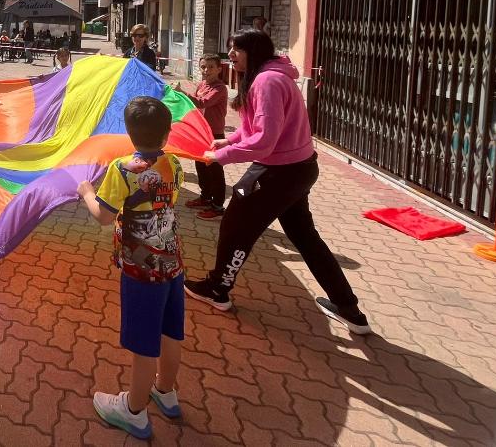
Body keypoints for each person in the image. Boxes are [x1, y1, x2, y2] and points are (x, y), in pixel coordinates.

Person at [185, 30, 371, 335]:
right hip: (296, 170)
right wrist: (225, 141)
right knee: (304, 237)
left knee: (235, 222)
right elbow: (256, 128)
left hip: (275, 172)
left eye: (236, 49)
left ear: (253, 51)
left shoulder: (267, 81)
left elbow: (264, 141)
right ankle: (349, 309)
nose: (230, 55)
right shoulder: (270, 75)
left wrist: (220, 157)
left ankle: (217, 289)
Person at [76, 97, 185, 438]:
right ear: (167, 135)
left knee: (143, 344)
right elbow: (166, 202)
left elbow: (103, 217)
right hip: (172, 264)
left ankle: (134, 410)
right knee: (170, 331)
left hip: (141, 270)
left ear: (128, 132)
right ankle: (165, 391)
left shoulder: (123, 169)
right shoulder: (175, 164)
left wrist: (87, 193)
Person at [180, 55, 229, 220]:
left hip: (215, 135)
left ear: (219, 69)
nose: (206, 70)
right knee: (201, 166)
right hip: (201, 132)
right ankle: (205, 197)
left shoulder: (220, 88)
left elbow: (202, 102)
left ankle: (217, 206)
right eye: (203, 67)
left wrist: (182, 93)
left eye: (210, 67)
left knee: (214, 169)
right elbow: (193, 105)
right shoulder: (201, 84)